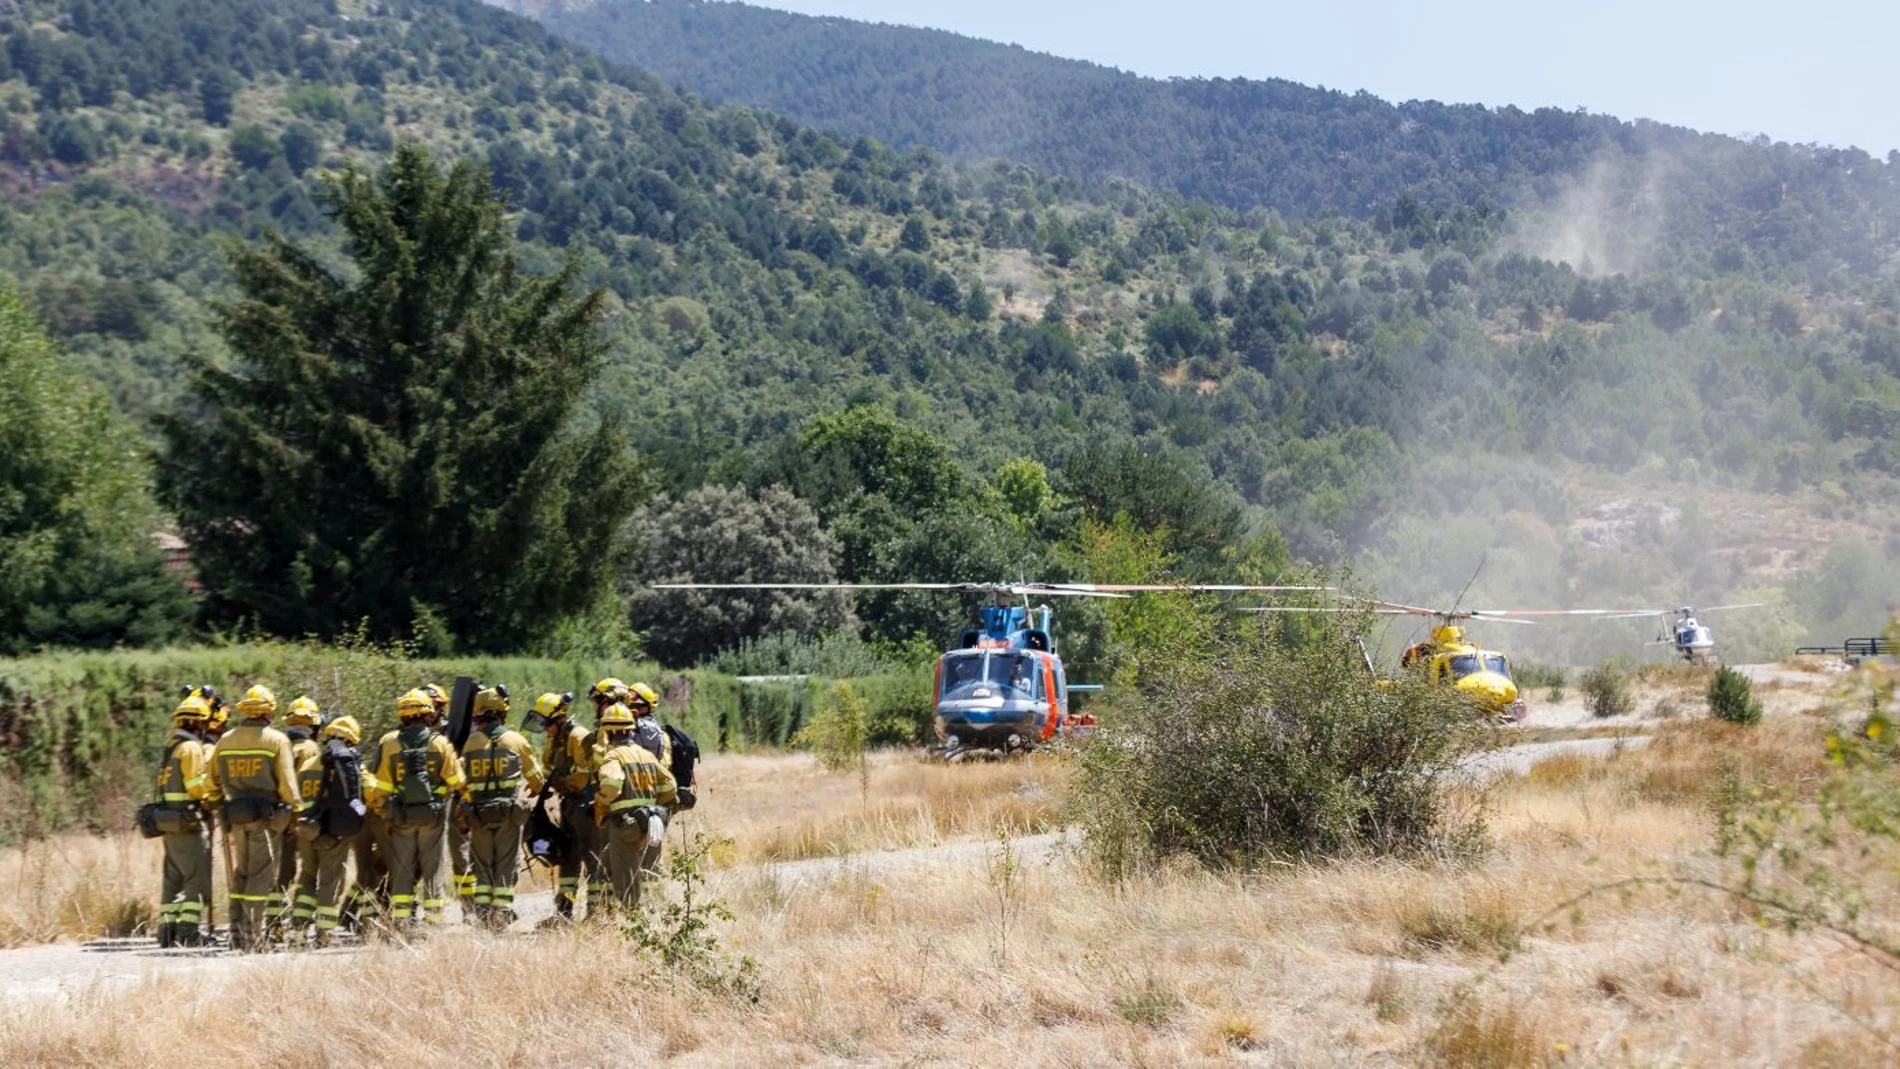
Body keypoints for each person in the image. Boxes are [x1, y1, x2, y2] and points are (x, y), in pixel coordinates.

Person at [206, 685, 300, 952]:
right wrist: (295, 812)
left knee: (242, 874)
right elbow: (288, 787)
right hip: (266, 820)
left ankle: (236, 934)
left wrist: (216, 803)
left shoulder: (225, 741)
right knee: (261, 876)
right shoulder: (276, 740)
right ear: (269, 712)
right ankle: (253, 939)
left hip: (235, 817)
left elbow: (211, 781)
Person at [364, 689, 465, 933]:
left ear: (402, 716)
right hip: (433, 817)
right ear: (427, 715)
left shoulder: (389, 742)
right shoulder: (439, 743)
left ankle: (401, 923)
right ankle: (433, 924)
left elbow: (380, 785)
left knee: (402, 871)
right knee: (432, 870)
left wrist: (382, 811)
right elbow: (457, 781)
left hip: (401, 817)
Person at [459, 686, 544, 930]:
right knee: (506, 864)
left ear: (478, 715)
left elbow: (462, 780)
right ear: (501, 712)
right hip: (509, 815)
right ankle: (502, 912)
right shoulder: (516, 741)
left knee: (482, 866)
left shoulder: (471, 743)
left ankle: (484, 913)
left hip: (479, 814)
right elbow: (536, 780)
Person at [591, 702, 677, 915]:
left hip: (625, 827)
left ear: (608, 732)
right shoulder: (645, 754)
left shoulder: (614, 756)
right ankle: (608, 917)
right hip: (649, 824)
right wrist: (653, 805)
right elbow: (670, 786)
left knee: (626, 882)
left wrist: (600, 804)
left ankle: (632, 923)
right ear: (630, 729)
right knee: (606, 864)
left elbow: (611, 784)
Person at [152, 694, 215, 948]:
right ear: (198, 724)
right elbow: (196, 786)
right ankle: (189, 933)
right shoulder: (190, 748)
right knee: (196, 879)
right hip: (189, 822)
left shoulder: (170, 748)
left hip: (169, 822)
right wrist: (214, 795)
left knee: (172, 879)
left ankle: (166, 933)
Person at [304, 715, 368, 948]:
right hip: (333, 832)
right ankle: (323, 935)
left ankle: (299, 929)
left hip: (307, 830)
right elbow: (366, 792)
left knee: (306, 879)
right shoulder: (351, 765)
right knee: (330, 884)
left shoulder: (308, 763)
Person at [540, 688, 600, 923]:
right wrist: (546, 783)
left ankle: (595, 915)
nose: (544, 728)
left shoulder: (578, 737)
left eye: (546, 723)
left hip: (585, 805)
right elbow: (546, 765)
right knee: (568, 861)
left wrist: (560, 781)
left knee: (593, 860)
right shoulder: (554, 740)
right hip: (568, 805)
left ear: (559, 718)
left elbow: (585, 776)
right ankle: (563, 912)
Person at [424, 683, 477, 920]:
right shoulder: (411, 733)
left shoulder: (454, 732)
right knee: (423, 859)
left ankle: (469, 908)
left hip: (454, 800)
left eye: (433, 706)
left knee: (461, 856)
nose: (429, 711)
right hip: (426, 805)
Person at [277, 695, 324, 942]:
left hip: (276, 820)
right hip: (300, 823)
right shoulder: (310, 750)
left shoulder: (279, 744)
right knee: (305, 872)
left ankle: (274, 926)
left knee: (279, 875)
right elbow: (308, 789)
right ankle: (298, 922)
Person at [626, 682, 672, 877]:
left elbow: (664, 767)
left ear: (647, 707)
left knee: (650, 859)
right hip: (636, 801)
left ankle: (655, 903)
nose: (632, 711)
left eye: (636, 707)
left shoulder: (659, 735)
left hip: (654, 803)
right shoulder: (630, 733)